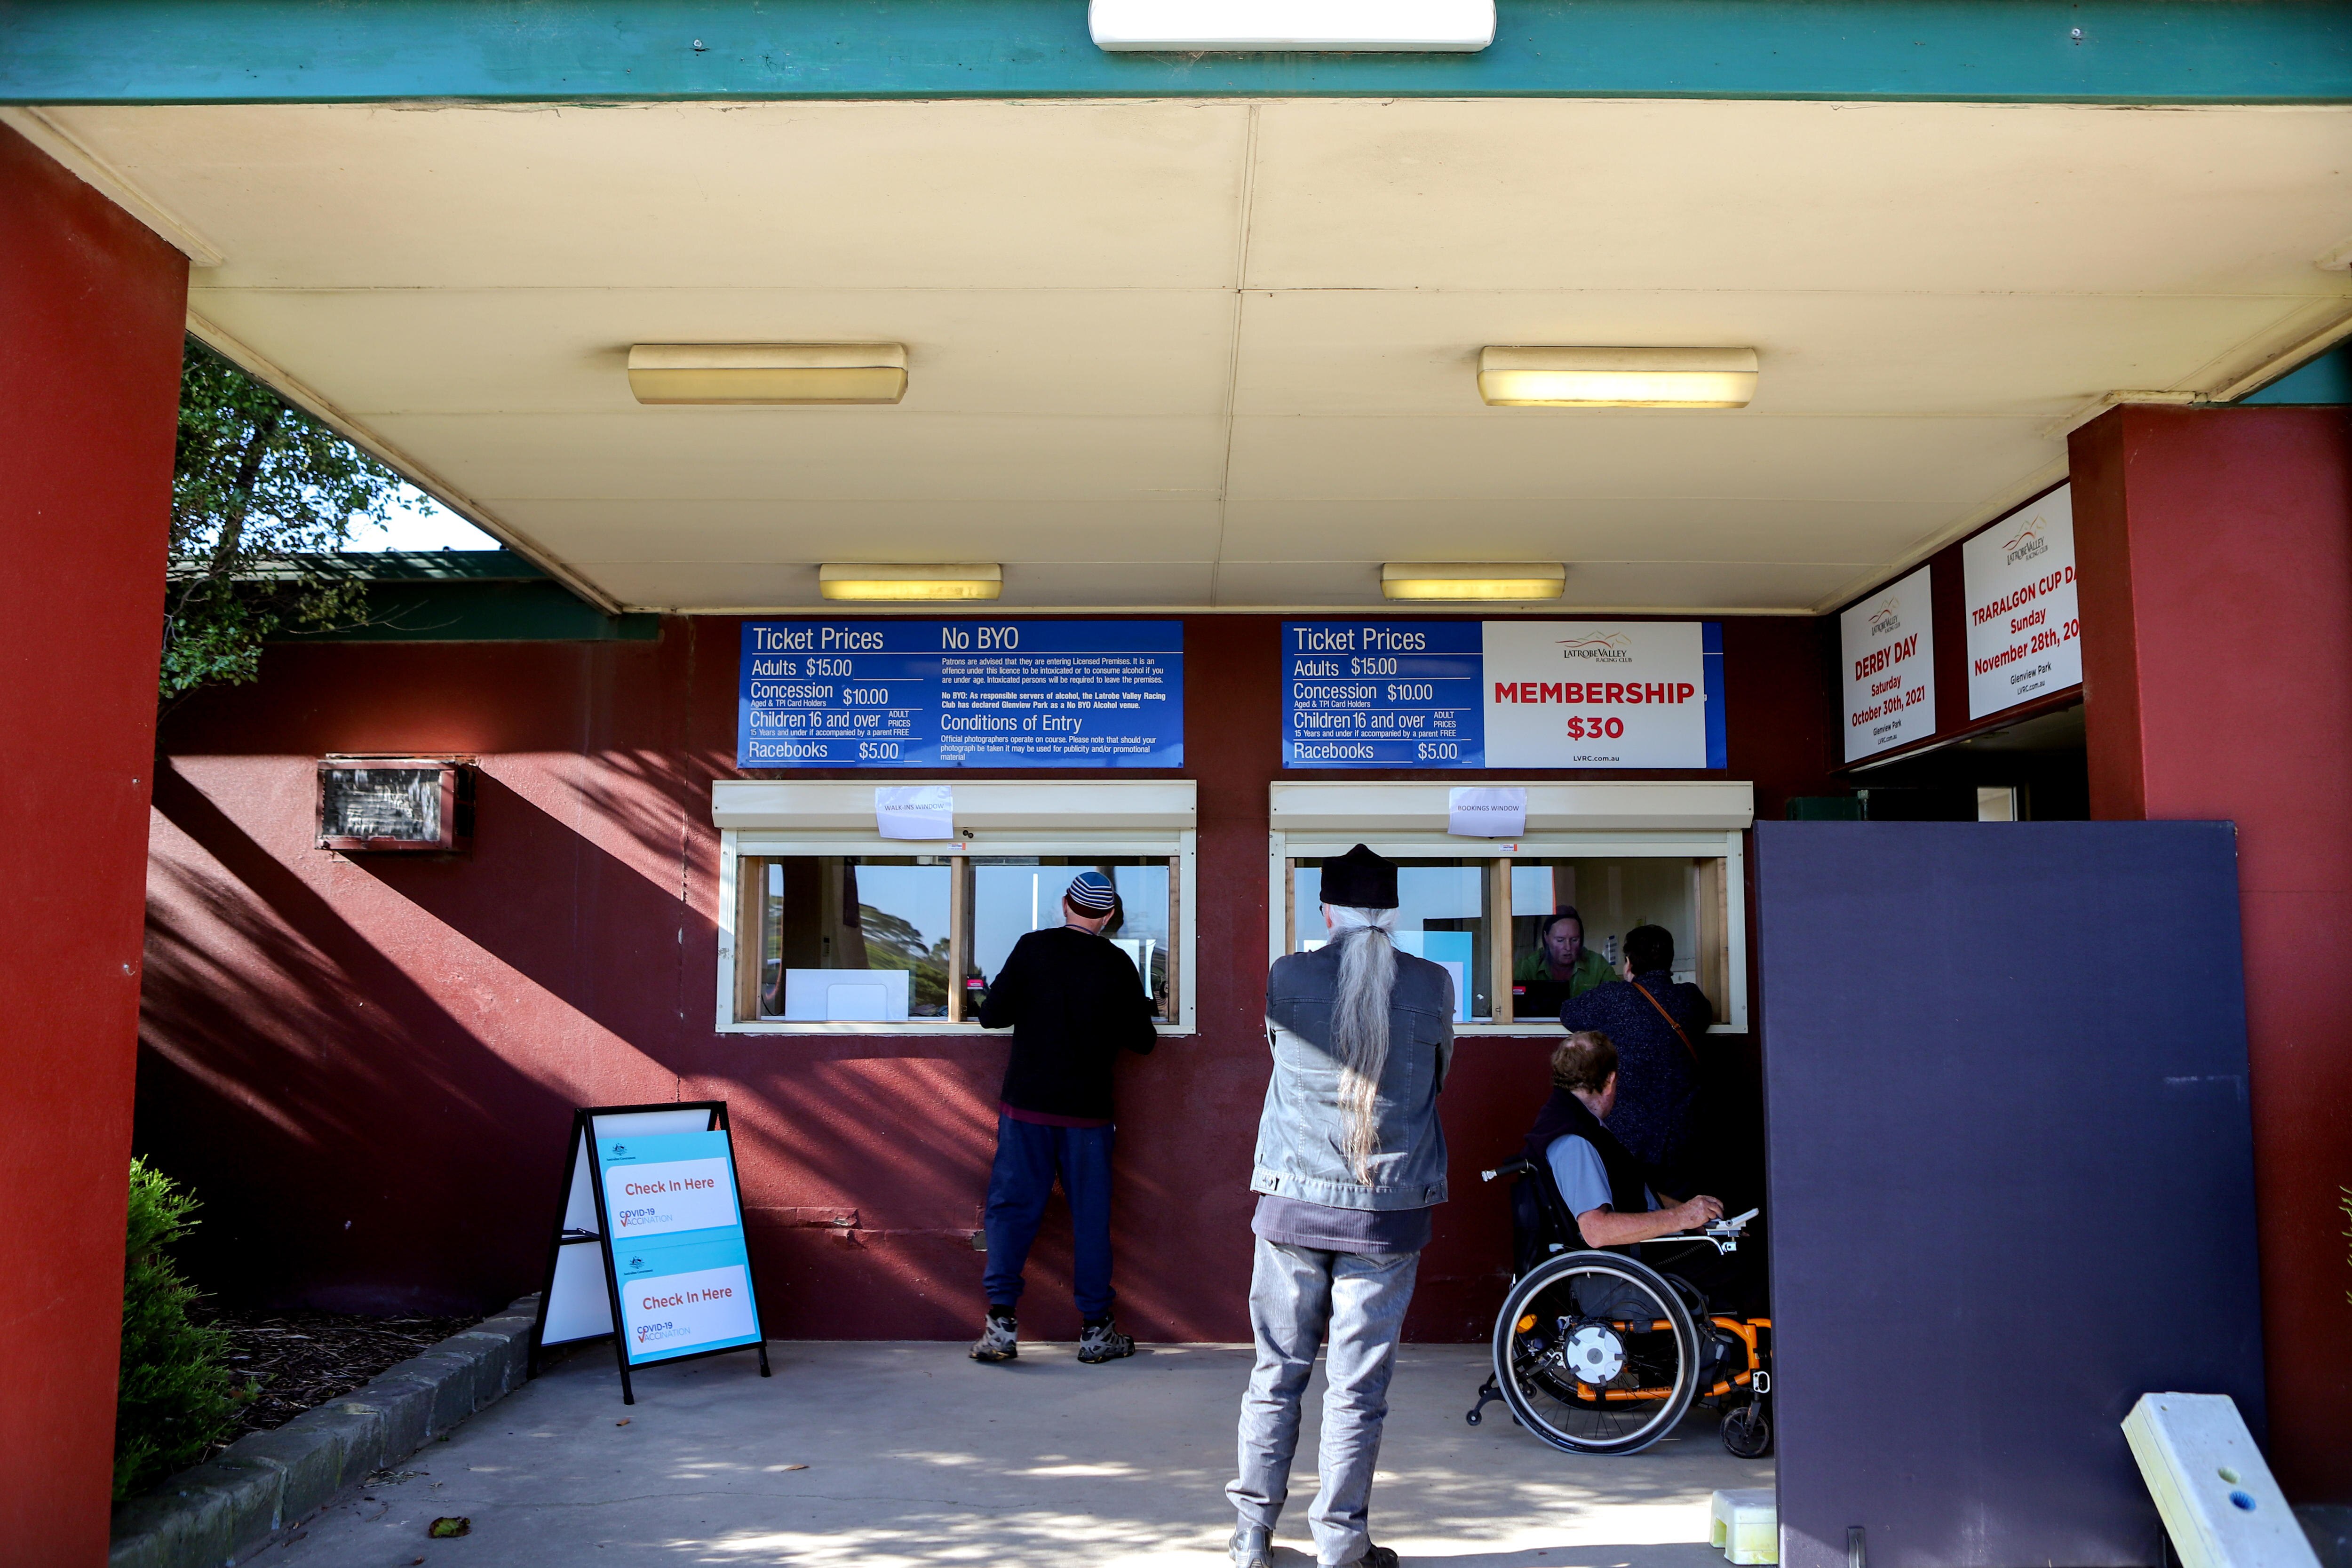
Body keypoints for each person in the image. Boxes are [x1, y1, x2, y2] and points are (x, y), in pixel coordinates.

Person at [1227, 844, 1453, 1568]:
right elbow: (1438, 1076)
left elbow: (1279, 1054)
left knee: (1276, 1373)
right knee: (1357, 1390)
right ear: (1392, 913)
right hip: (1386, 1213)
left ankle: (1251, 1536)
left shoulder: (1288, 975)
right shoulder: (1433, 983)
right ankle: (1342, 1546)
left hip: (1294, 1204)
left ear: (1328, 912)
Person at [970, 870, 1158, 1365]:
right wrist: (1134, 1004)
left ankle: (1000, 1327)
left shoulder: (1032, 948)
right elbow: (1143, 1041)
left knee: (1011, 1210)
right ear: (1109, 916)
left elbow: (991, 1016)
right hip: (1088, 1116)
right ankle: (1096, 1331)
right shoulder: (1116, 964)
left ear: (1064, 906)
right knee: (1090, 1220)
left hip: (1026, 1108)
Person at [1523, 1031, 1722, 1250]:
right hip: (1633, 1257)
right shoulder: (1574, 1142)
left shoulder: (1572, 1120)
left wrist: (1689, 1212)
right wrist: (1682, 1217)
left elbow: (1631, 1191)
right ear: (1610, 1081)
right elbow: (1596, 1231)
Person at [1558, 922, 1711, 1178]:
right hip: (1685, 1135)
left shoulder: (1615, 997)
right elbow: (1704, 1016)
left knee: (1634, 1199)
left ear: (1628, 963)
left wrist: (1627, 985)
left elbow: (1568, 1013)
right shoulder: (1691, 998)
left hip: (1630, 1135)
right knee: (1684, 1202)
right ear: (1669, 962)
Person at [1511, 907, 1615, 1013]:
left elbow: (1617, 1002)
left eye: (1574, 940)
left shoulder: (1598, 965)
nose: (1568, 947)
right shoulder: (1527, 967)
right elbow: (1506, 1007)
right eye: (1560, 940)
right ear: (1546, 938)